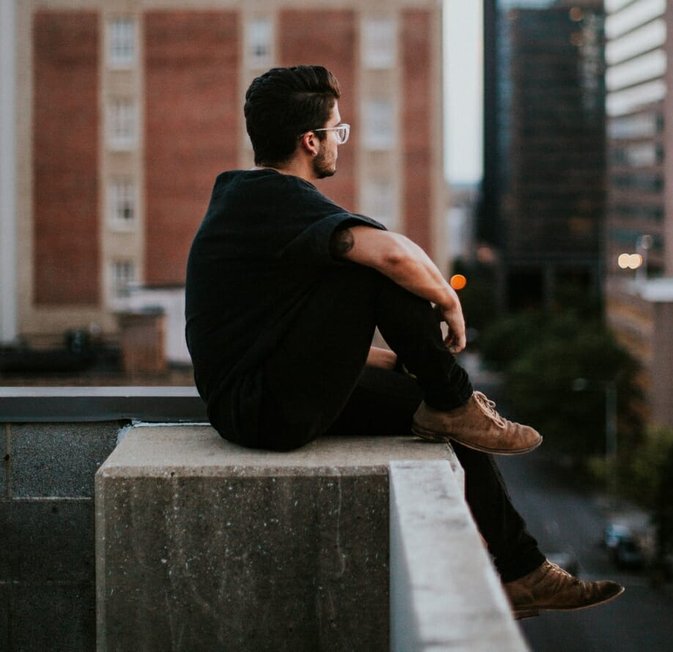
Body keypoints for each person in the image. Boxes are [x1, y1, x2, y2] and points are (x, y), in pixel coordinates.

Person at [185, 65, 624, 619]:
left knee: (441, 420)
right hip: (264, 411)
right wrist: (449, 301)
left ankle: (523, 572)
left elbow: (273, 330)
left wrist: (390, 362)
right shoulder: (277, 199)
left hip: (258, 402)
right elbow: (393, 254)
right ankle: (457, 399)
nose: (340, 142)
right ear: (310, 141)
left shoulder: (252, 202)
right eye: (337, 131)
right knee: (369, 269)